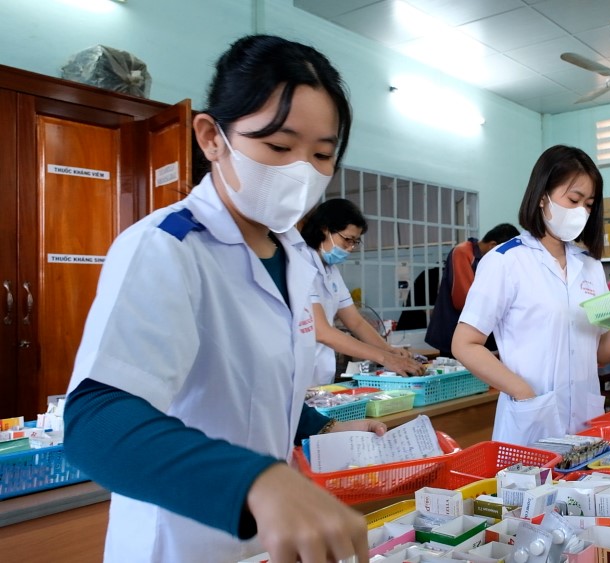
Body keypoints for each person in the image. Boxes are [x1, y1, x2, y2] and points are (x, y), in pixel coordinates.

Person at [62, 35, 385, 562]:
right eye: (278, 147)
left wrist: (326, 427)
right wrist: (255, 481)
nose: (301, 170)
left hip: (264, 538)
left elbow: (260, 390)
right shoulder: (166, 247)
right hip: (179, 538)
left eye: (322, 155)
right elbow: (96, 421)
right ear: (212, 137)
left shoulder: (294, 255)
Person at [451, 145, 610, 446]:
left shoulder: (590, 267)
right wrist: (523, 393)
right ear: (542, 196)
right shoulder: (506, 260)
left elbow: (598, 354)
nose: (581, 212)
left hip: (586, 425)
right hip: (530, 422)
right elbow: (464, 344)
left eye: (588, 204)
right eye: (573, 200)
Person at [302, 198, 425, 382]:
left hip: (319, 373)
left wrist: (389, 350)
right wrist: (385, 358)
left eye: (355, 242)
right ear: (324, 229)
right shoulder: (301, 264)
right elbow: (322, 331)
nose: (350, 248)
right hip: (297, 370)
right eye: (347, 240)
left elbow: (356, 322)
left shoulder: (331, 271)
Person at [424, 223, 520, 357]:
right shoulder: (462, 252)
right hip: (454, 332)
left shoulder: (485, 259)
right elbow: (462, 299)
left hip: (476, 334)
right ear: (493, 245)